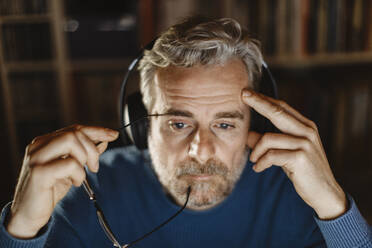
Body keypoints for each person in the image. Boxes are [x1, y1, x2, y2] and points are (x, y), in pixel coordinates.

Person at [1, 17, 371, 248]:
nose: (201, 149)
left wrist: (335, 208)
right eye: (179, 123)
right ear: (141, 123)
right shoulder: (84, 188)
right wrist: (22, 229)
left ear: (254, 126)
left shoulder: (297, 196)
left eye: (225, 124)